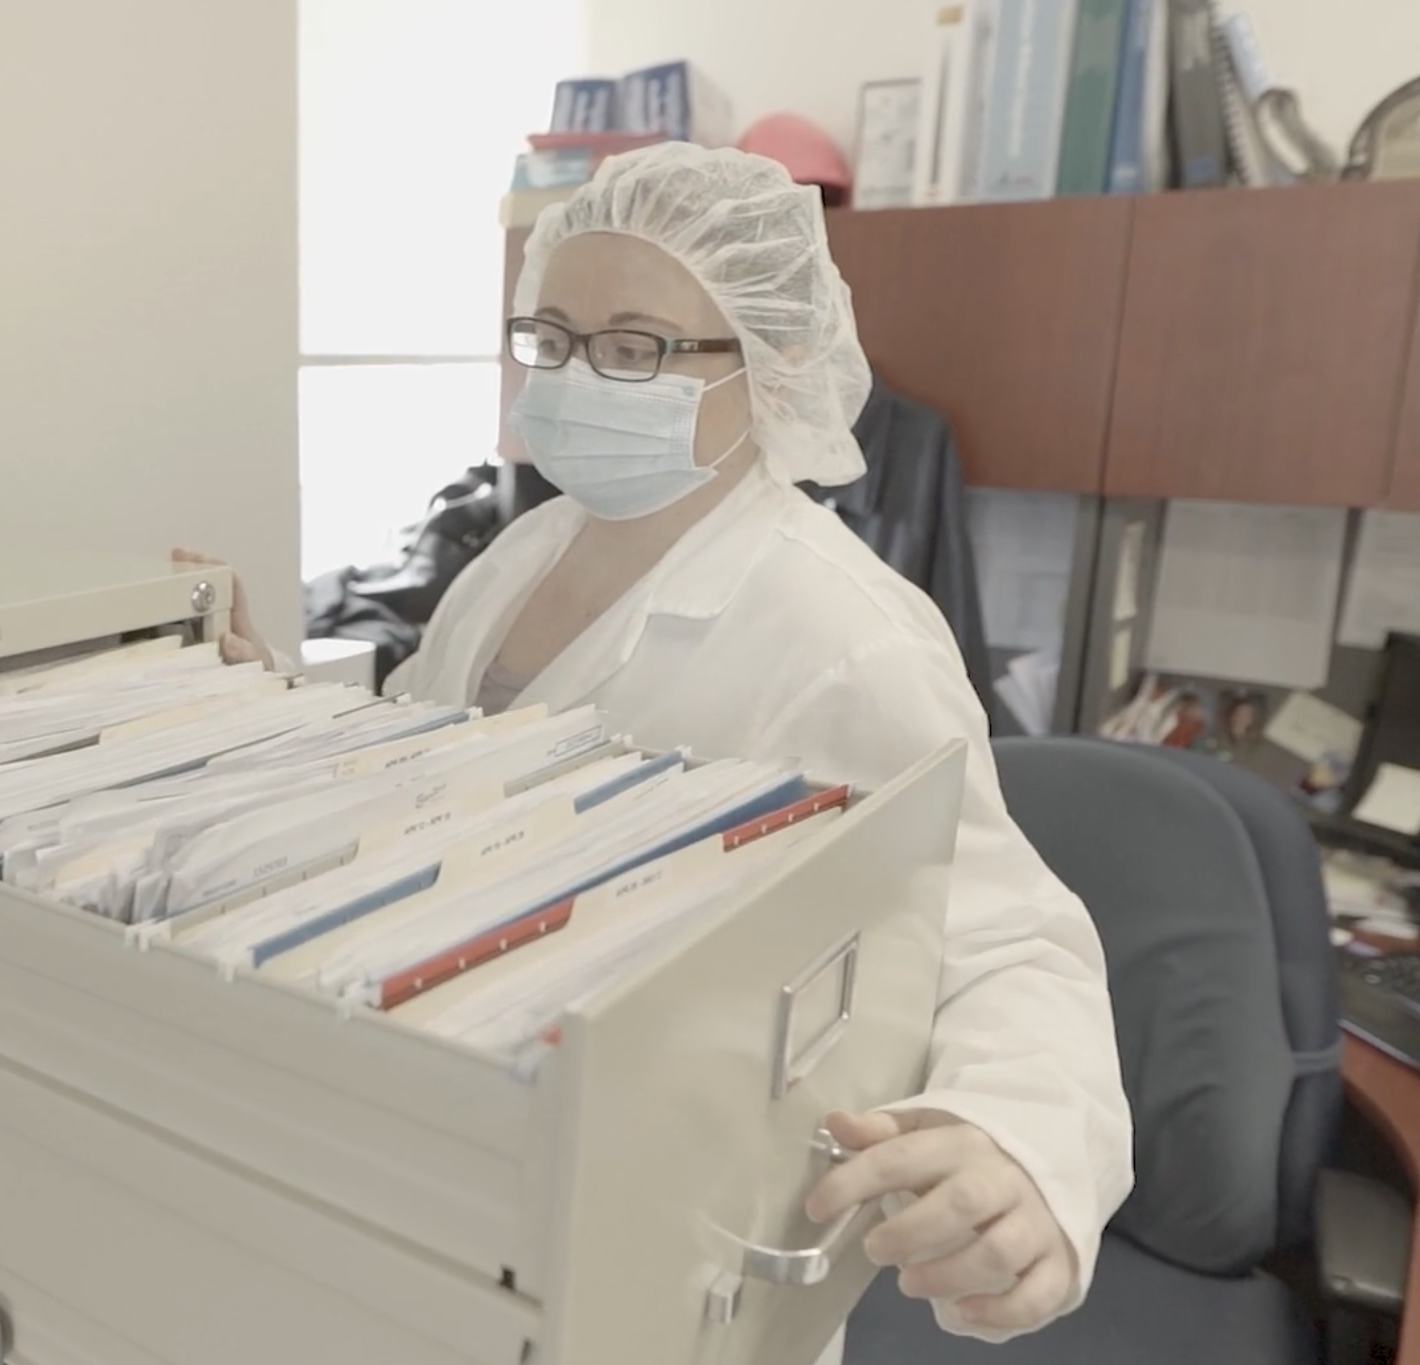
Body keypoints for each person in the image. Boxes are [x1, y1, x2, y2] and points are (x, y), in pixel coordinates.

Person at [177, 142, 1131, 1362]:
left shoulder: (843, 636)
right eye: (551, 338)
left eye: (633, 347)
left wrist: (1017, 1143)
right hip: (475, 1149)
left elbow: (1004, 942)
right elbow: (426, 768)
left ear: (769, 359)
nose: (578, 378)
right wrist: (267, 705)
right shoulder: (527, 551)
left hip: (674, 1238)